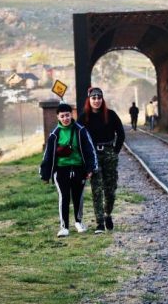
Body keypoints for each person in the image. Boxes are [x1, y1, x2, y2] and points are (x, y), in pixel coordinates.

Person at [40, 103, 97, 238]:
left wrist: (90, 168)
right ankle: (64, 226)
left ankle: (78, 222)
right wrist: (45, 174)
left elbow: (90, 150)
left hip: (79, 169)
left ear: (72, 115)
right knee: (64, 197)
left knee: (78, 197)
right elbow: (48, 155)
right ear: (58, 117)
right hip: (61, 171)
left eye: (67, 115)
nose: (65, 118)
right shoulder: (54, 134)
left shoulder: (80, 131)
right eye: (62, 116)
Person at [81, 87, 125, 233]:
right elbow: (78, 136)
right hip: (93, 155)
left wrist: (115, 151)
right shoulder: (84, 117)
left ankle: (107, 214)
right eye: (93, 98)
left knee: (110, 189)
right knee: (97, 188)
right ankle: (99, 223)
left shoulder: (110, 115)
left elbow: (121, 133)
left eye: (99, 98)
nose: (96, 100)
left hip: (109, 153)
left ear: (102, 99)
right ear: (89, 100)